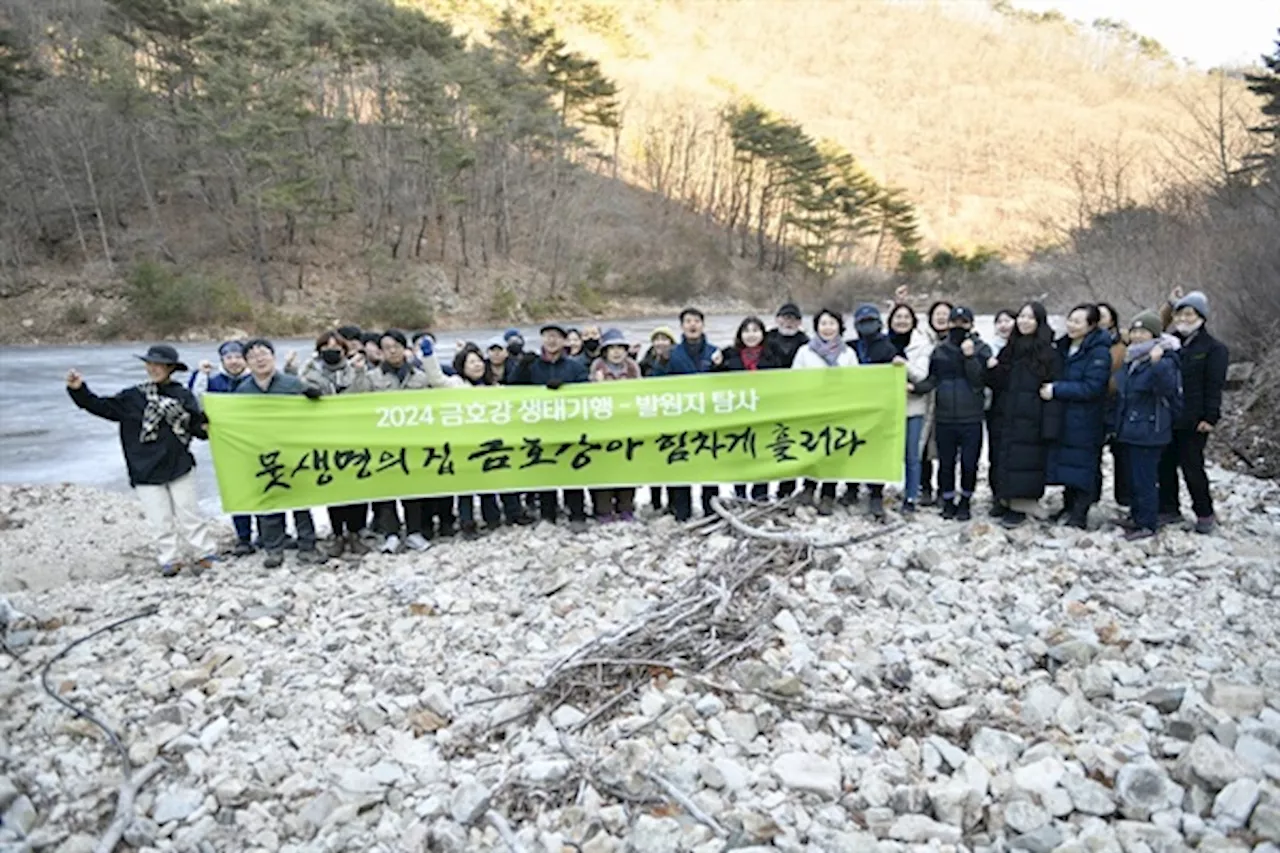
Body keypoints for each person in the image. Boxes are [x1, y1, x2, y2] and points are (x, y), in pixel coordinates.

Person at [66, 344, 217, 577]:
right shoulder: (132, 397)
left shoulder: (182, 395)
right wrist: (79, 390)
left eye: (160, 365)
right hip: (143, 466)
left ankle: (204, 553)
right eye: (151, 364)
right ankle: (170, 559)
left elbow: (196, 425)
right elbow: (100, 406)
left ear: (171, 369)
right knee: (160, 518)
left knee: (189, 512)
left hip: (178, 463)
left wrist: (208, 427)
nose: (154, 368)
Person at [235, 339, 323, 567]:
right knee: (269, 502)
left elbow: (317, 408)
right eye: (253, 356)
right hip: (261, 454)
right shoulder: (242, 391)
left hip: (293, 452)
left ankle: (308, 546)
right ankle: (274, 549)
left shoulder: (292, 384)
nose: (260, 359)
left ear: (273, 357)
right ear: (247, 363)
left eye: (264, 354)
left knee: (301, 502)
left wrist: (315, 396)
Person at [367, 329, 452, 552]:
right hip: (383, 442)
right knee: (386, 491)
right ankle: (391, 534)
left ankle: (414, 532)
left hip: (414, 442)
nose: (392, 351)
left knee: (413, 488)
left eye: (396, 346)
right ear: (381, 352)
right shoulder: (371, 378)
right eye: (387, 347)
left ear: (405, 348)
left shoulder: (420, 378)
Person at [1157, 289, 1228, 534]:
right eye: (1179, 314)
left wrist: (1210, 416)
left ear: (1201, 316)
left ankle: (1204, 513)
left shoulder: (1213, 348)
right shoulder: (1170, 343)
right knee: (1165, 464)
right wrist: (1168, 305)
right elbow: (1153, 330)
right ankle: (1169, 508)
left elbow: (1214, 384)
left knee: (1192, 466)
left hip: (1195, 418)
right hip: (1169, 415)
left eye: (1189, 314)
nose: (1183, 319)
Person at [984, 303, 1061, 528]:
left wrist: (1050, 423)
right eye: (1022, 317)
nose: (1024, 321)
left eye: (1030, 317)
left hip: (1032, 414)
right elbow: (998, 382)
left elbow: (1052, 386)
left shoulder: (1048, 351)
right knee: (1003, 456)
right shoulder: (1011, 347)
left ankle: (1021, 504)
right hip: (1005, 412)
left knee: (1026, 460)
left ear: (1039, 322)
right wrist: (991, 369)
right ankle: (1004, 498)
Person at [509, 323, 591, 532]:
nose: (551, 340)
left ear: (564, 341)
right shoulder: (533, 365)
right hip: (541, 427)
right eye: (547, 336)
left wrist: (565, 389)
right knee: (546, 470)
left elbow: (586, 391)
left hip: (568, 426)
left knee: (573, 469)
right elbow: (512, 388)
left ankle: (577, 514)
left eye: (556, 336)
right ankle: (548, 515)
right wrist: (521, 367)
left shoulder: (574, 366)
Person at [302, 329, 374, 557]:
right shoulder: (310, 373)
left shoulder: (356, 372)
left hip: (355, 436)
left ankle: (356, 532)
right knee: (333, 487)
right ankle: (337, 534)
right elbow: (296, 391)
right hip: (325, 438)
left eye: (336, 348)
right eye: (325, 349)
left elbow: (365, 395)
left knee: (358, 485)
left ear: (344, 351)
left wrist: (361, 372)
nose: (331, 352)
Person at [913, 306, 990, 521]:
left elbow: (979, 381)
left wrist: (970, 357)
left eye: (963, 323)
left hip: (971, 417)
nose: (958, 326)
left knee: (969, 463)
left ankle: (965, 500)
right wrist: (914, 387)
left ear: (971, 325)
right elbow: (932, 379)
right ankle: (947, 500)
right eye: (954, 322)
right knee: (945, 463)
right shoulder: (939, 350)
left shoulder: (982, 348)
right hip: (945, 417)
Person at [1113, 311, 1182, 541]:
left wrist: (1157, 363)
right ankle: (1136, 516)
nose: (1138, 336)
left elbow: (1167, 389)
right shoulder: (1132, 357)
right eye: (1134, 331)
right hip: (1130, 426)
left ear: (1154, 334)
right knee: (1132, 477)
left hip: (1150, 428)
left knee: (1145, 479)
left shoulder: (1166, 358)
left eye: (1143, 332)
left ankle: (1147, 523)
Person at [1045, 304, 1113, 529]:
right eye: (1070, 320)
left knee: (1084, 465)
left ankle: (1080, 513)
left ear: (1091, 325)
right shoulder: (1064, 346)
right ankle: (1068, 505)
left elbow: (1092, 387)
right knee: (1067, 463)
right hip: (1066, 416)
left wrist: (1057, 390)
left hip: (1087, 418)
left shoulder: (1099, 351)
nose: (1072, 325)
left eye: (1078, 322)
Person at [791, 307, 858, 516]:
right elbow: (794, 379)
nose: (827, 328)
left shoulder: (848, 353)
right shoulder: (805, 351)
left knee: (833, 450)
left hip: (838, 409)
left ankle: (829, 493)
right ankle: (808, 488)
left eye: (832, 323)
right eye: (823, 323)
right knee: (811, 448)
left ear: (839, 326)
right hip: (812, 409)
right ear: (816, 327)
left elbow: (856, 382)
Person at [190, 340, 255, 555]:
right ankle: (243, 536)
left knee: (265, 484)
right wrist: (200, 375)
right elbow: (195, 402)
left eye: (238, 357)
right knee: (236, 488)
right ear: (222, 360)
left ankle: (268, 533)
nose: (234, 361)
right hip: (227, 445)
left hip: (257, 441)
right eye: (229, 357)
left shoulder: (256, 379)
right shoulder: (213, 381)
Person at [453, 345, 522, 537]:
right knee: (467, 483)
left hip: (492, 441)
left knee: (498, 476)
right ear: (462, 367)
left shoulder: (494, 386)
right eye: (471, 362)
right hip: (465, 443)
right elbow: (436, 377)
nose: (476, 365)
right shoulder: (456, 385)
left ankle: (499, 517)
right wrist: (428, 355)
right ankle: (467, 522)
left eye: (478, 361)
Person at [665, 307, 721, 521]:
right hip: (681, 418)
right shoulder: (672, 354)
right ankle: (682, 510)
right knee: (681, 462)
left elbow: (726, 381)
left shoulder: (714, 352)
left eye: (696, 321)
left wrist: (719, 366)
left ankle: (710, 509)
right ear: (682, 327)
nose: (692, 325)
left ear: (703, 325)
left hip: (709, 418)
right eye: (688, 321)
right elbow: (657, 383)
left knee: (710, 461)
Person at [848, 304, 899, 520]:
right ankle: (851, 489)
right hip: (852, 405)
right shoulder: (849, 347)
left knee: (876, 450)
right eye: (862, 322)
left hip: (879, 407)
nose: (867, 326)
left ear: (879, 323)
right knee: (851, 447)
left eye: (871, 321)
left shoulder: (889, 347)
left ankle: (876, 493)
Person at [713, 316, 771, 501]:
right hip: (738, 414)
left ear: (762, 333)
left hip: (764, 413)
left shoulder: (771, 356)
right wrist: (716, 364)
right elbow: (712, 380)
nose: (751, 335)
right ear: (740, 334)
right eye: (747, 330)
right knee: (740, 452)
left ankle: (760, 494)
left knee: (762, 454)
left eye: (755, 330)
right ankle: (739, 493)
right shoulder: (729, 354)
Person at [588, 328, 641, 522]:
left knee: (627, 464)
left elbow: (642, 392)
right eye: (612, 348)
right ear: (605, 351)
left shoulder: (633, 368)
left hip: (628, 424)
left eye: (621, 347)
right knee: (603, 467)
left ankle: (626, 507)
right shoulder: (597, 367)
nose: (617, 352)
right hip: (603, 426)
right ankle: (603, 510)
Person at [887, 303, 933, 514]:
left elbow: (923, 375)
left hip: (912, 407)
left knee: (912, 454)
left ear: (913, 321)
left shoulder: (922, 345)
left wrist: (903, 365)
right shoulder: (883, 342)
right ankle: (878, 492)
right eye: (898, 317)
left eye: (906, 317)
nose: (902, 321)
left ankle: (911, 496)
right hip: (885, 407)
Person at [919, 300, 954, 506]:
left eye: (945, 314)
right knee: (923, 446)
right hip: (925, 399)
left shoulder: (962, 341)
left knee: (945, 448)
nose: (941, 317)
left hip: (949, 402)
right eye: (937, 313)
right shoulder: (922, 340)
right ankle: (925, 488)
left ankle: (944, 489)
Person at [1096, 302, 1130, 508]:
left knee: (1121, 451)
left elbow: (1155, 326)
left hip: (1118, 401)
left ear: (1112, 319)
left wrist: (1170, 306)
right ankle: (1091, 495)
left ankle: (1124, 497)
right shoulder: (1085, 340)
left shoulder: (1124, 340)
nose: (1099, 319)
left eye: (1103, 316)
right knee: (1092, 450)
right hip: (1094, 401)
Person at [763, 302, 809, 369]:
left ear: (799, 322)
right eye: (785, 318)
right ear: (777, 319)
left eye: (793, 319)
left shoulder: (806, 342)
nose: (789, 322)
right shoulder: (766, 338)